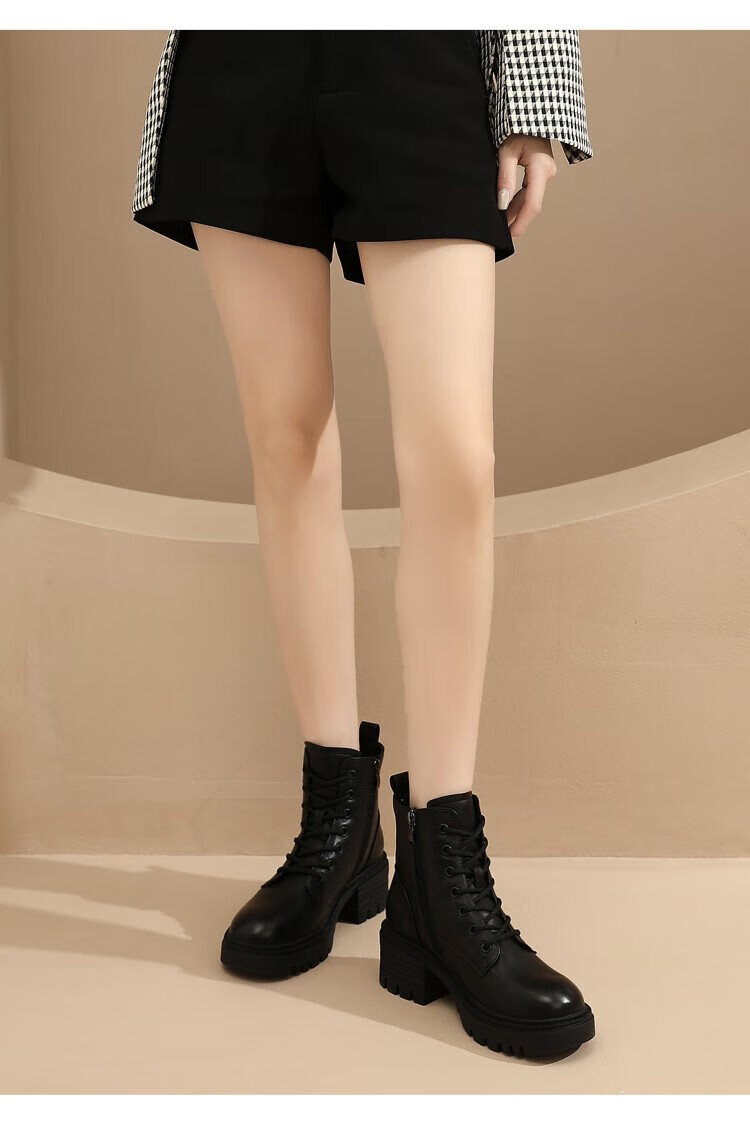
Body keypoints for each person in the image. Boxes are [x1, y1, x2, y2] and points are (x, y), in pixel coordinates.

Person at [132, 30, 595, 1058]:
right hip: (241, 59)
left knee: (456, 457)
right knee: (285, 439)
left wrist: (537, 99)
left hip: (418, 51)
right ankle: (336, 832)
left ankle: (444, 875)